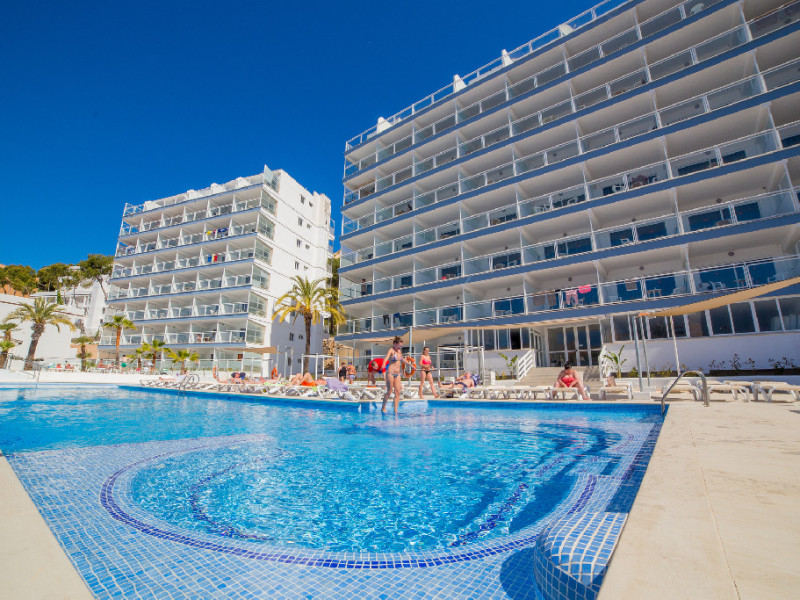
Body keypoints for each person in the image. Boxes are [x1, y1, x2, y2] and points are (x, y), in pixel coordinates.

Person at [381, 336, 404, 413]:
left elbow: (402, 360)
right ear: (395, 344)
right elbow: (386, 358)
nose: (400, 347)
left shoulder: (399, 351)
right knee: (389, 391)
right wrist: (383, 364)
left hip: (398, 374)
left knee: (397, 392)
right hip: (390, 373)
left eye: (401, 346)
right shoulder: (391, 350)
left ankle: (395, 409)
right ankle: (383, 407)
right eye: (399, 345)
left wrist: (411, 365)